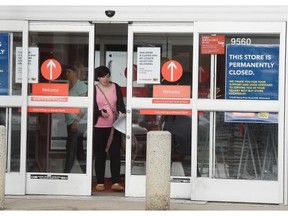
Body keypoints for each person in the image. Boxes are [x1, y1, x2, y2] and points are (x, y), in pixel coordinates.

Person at [93, 65, 126, 192]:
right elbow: (91, 107)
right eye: (102, 77)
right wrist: (100, 112)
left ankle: (115, 181)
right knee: (100, 154)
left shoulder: (115, 87)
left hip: (114, 126)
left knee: (115, 153)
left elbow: (121, 104)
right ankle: (100, 182)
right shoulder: (94, 89)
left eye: (107, 76)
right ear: (97, 78)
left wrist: (123, 113)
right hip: (99, 126)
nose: (105, 79)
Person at [63, 63, 87, 173]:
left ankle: (65, 174)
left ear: (75, 73)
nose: (66, 74)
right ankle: (87, 174)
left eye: (69, 72)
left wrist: (76, 121)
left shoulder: (81, 86)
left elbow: (84, 106)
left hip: (78, 122)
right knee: (79, 151)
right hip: (69, 121)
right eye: (66, 72)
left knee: (71, 148)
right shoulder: (67, 85)